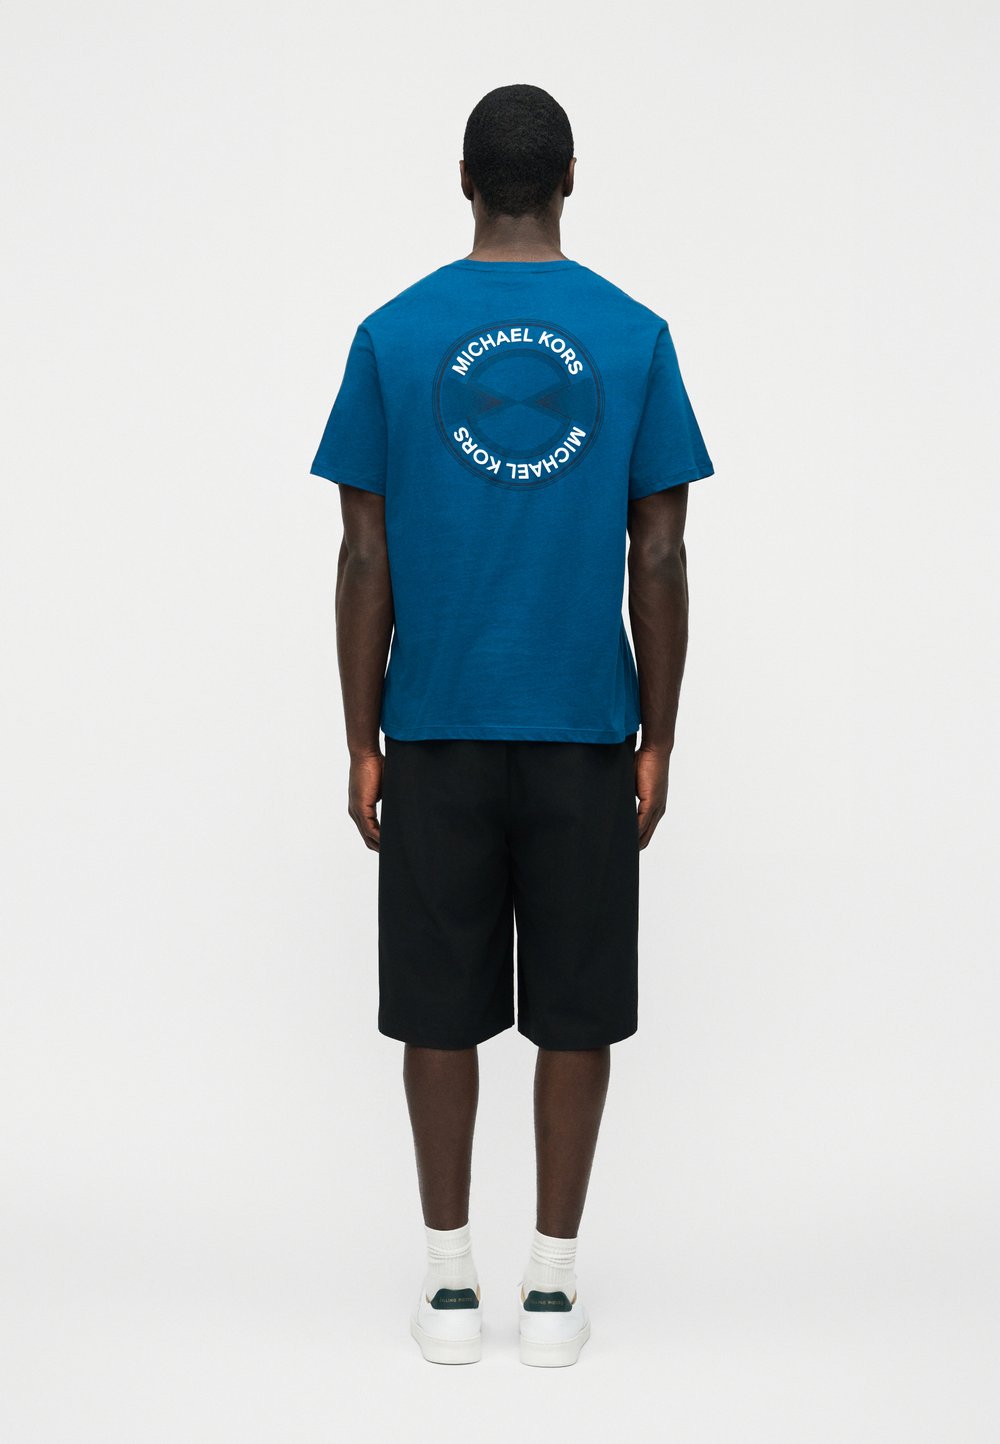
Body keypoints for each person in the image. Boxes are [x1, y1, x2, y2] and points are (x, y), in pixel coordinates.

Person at [308, 83, 715, 1367]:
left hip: (432, 725)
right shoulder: (633, 336)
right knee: (575, 1008)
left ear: (464, 180)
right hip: (585, 726)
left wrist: (361, 738)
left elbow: (362, 553)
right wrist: (659, 736)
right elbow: (661, 553)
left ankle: (447, 1286)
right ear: (570, 178)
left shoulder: (393, 335)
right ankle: (549, 1289)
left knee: (439, 1007)